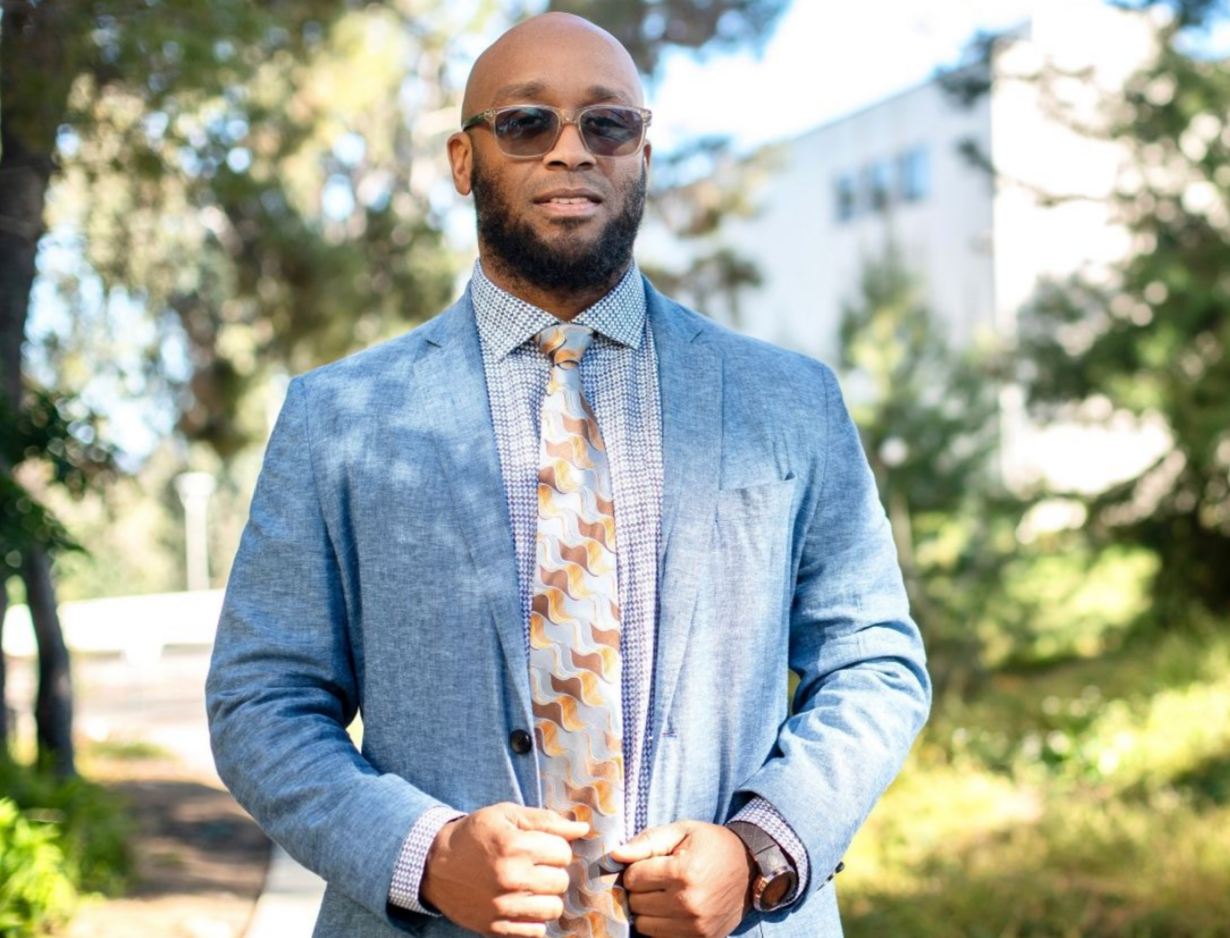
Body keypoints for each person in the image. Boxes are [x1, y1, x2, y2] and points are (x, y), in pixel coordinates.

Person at [204, 13, 930, 938]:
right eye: (526, 124)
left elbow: (874, 663)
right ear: (465, 160)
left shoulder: (788, 400)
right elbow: (261, 701)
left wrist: (759, 849)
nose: (570, 151)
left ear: (643, 153)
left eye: (607, 124)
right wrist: (423, 854)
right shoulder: (338, 416)